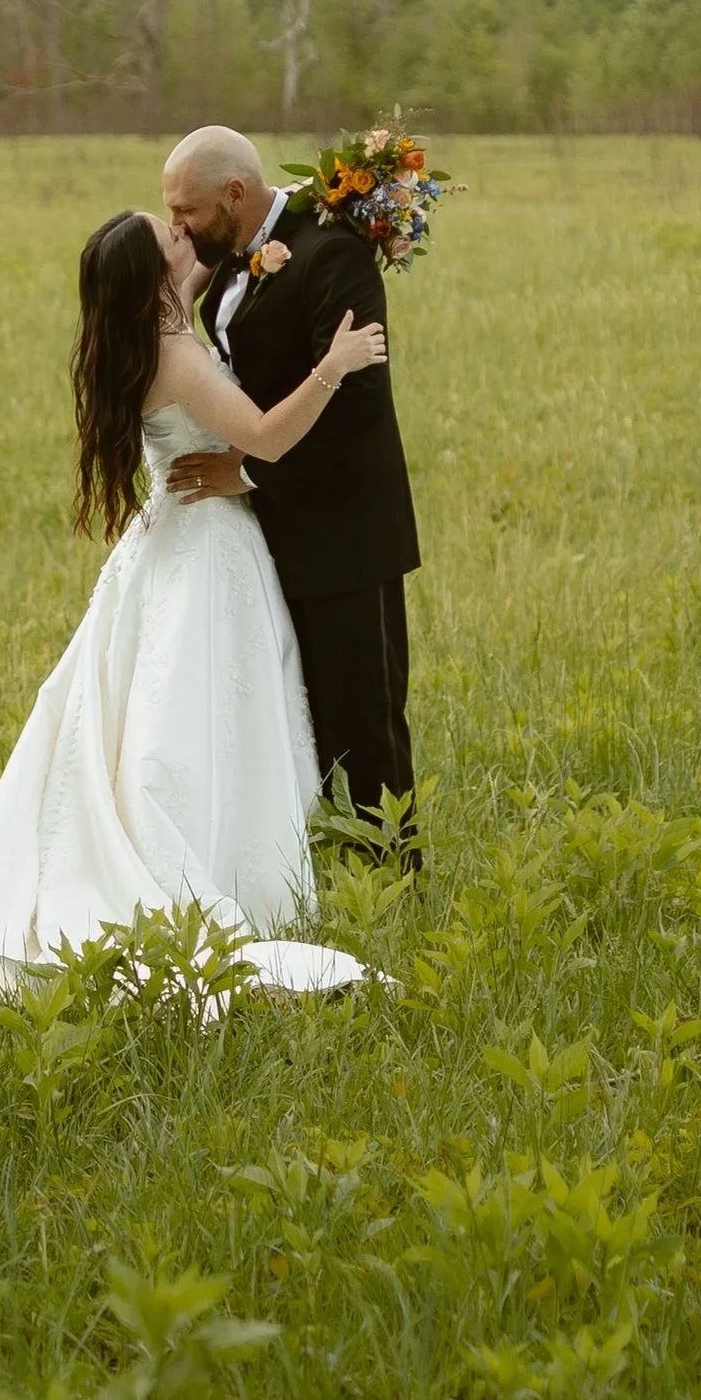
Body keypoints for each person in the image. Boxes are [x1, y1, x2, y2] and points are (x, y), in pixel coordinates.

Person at [0, 201, 384, 995]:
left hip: (168, 537)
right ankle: (215, 869)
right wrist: (338, 361)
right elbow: (267, 438)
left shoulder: (144, 326)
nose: (184, 240)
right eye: (171, 238)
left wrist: (271, 251)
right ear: (153, 275)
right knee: (196, 716)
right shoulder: (175, 354)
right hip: (207, 544)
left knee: (171, 710)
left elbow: (206, 267)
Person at [159, 122, 421, 855]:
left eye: (187, 210)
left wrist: (244, 468)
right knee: (302, 716)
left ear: (236, 193)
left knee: (363, 720)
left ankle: (397, 875)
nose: (177, 226)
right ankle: (323, 867)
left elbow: (359, 402)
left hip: (343, 533)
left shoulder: (331, 252)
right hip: (269, 532)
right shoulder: (231, 257)